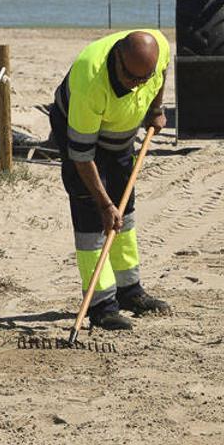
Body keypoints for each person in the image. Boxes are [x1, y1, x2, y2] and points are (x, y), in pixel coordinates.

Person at [49, 30, 173, 330]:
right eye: (131, 78)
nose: (136, 85)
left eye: (143, 79)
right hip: (81, 136)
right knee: (93, 217)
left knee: (124, 209)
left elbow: (162, 72)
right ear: (118, 58)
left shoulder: (158, 48)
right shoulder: (90, 83)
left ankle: (129, 290)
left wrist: (155, 109)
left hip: (120, 134)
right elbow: (82, 157)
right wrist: (104, 204)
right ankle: (101, 305)